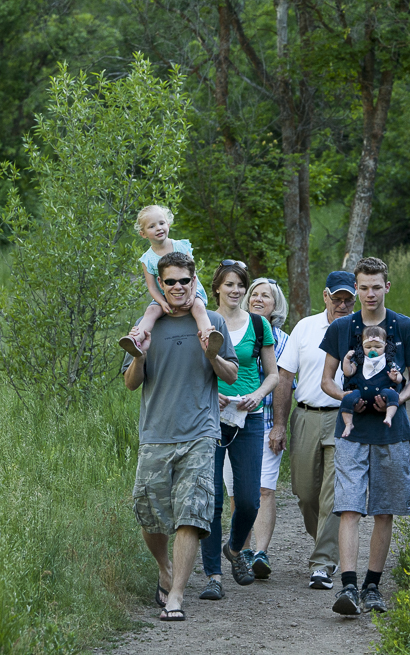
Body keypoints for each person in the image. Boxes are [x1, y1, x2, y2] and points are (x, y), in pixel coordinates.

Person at [122, 251, 239, 621]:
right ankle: (164, 568)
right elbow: (130, 384)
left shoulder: (213, 321)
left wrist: (213, 356)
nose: (177, 287)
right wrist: (139, 357)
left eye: (183, 281)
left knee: (191, 515)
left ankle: (176, 595)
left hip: (200, 434)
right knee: (150, 518)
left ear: (194, 281)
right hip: (155, 434)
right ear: (160, 283)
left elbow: (232, 376)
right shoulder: (146, 326)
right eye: (169, 281)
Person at [319, 257, 410, 616]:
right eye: (362, 287)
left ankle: (372, 586)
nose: (369, 294)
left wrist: (395, 400)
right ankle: (348, 586)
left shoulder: (405, 326)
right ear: (357, 287)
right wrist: (349, 398)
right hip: (351, 432)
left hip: (391, 431)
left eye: (375, 287)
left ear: (387, 287)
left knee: (384, 510)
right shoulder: (341, 328)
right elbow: (327, 381)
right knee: (349, 506)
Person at [269, 271, 357, 590]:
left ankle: (322, 563)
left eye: (349, 299)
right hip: (305, 416)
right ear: (325, 296)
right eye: (338, 299)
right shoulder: (305, 328)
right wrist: (280, 424)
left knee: (333, 493)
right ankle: (328, 540)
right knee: (306, 493)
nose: (343, 304)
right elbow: (283, 377)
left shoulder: (363, 330)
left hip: (346, 419)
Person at [199, 261, 280, 601]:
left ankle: (234, 548)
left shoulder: (259, 325)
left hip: (250, 416)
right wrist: (210, 393)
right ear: (216, 287)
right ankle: (213, 575)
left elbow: (273, 374)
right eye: (228, 284)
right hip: (211, 416)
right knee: (213, 499)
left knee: (248, 500)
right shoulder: (202, 321)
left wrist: (258, 396)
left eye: (240, 285)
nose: (234, 290)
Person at [220, 277, 292, 579]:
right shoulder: (226, 329)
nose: (258, 299)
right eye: (255, 294)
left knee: (263, 490)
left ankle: (261, 551)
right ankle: (242, 551)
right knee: (237, 492)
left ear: (276, 306)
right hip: (229, 420)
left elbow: (284, 383)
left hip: (264, 423)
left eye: (267, 296)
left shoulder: (282, 339)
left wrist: (279, 425)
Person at [119, 205, 223, 358]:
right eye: (152, 226)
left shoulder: (180, 245)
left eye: (161, 223)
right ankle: (136, 339)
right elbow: (152, 287)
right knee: (151, 312)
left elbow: (193, 275)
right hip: (165, 295)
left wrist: (193, 296)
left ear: (168, 224)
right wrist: (162, 303)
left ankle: (209, 339)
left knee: (199, 309)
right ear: (143, 234)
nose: (159, 228)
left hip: (190, 290)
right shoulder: (147, 259)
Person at [339, 325, 404, 436]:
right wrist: (346, 360)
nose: (372, 350)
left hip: (383, 390)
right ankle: (348, 424)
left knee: (393, 395)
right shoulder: (359, 361)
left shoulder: (388, 362)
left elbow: (399, 377)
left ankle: (389, 416)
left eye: (377, 347)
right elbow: (348, 372)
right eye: (368, 347)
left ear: (385, 346)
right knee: (347, 398)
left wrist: (396, 377)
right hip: (360, 391)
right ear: (362, 346)